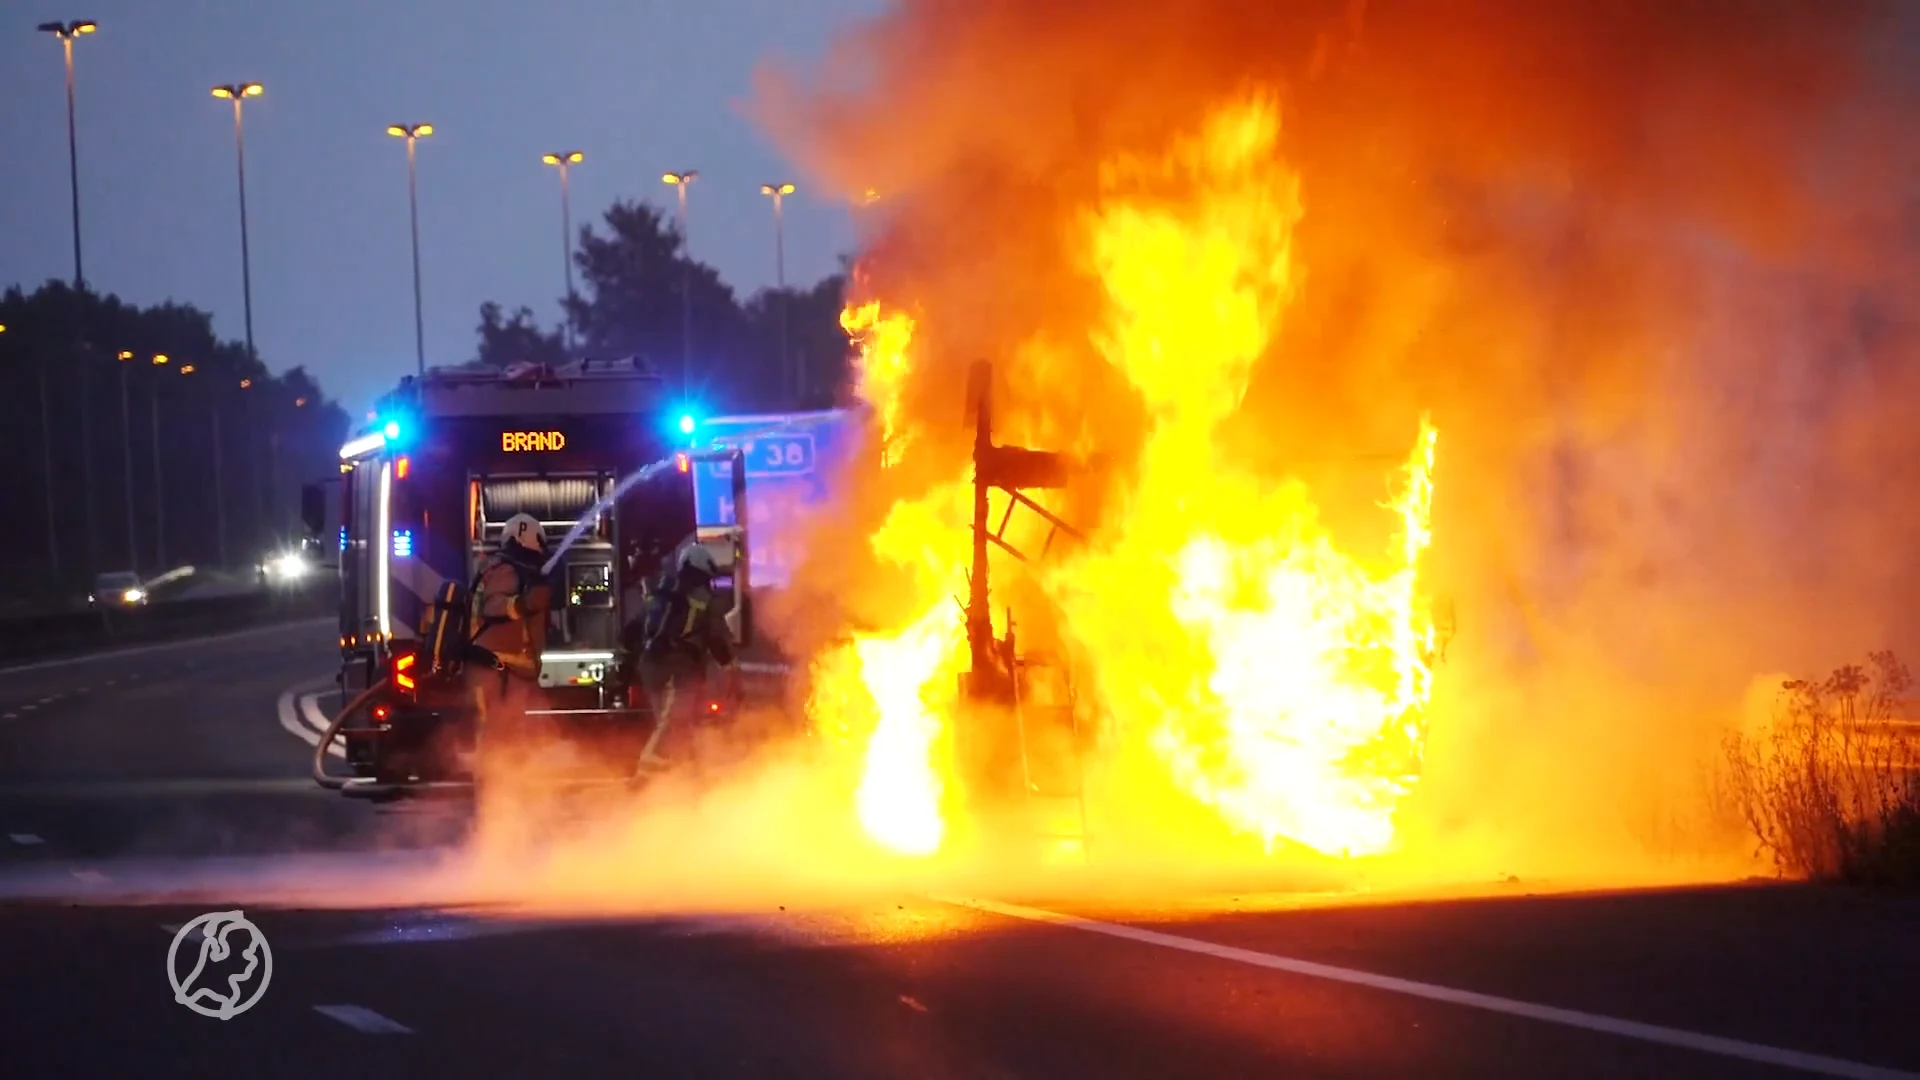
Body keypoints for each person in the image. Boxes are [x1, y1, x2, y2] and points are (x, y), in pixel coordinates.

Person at [628, 541, 739, 775]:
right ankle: (652, 761)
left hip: (650, 664)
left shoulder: (662, 591)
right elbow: (716, 636)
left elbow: (633, 628)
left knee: (670, 722)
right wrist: (729, 665)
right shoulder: (703, 597)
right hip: (680, 666)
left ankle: (676, 773)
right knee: (676, 719)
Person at [466, 512, 554, 768]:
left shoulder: (513, 569)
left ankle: (509, 788)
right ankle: (494, 793)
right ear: (526, 537)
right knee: (495, 735)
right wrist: (523, 603)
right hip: (494, 669)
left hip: (505, 670)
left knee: (511, 733)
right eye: (538, 542)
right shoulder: (505, 569)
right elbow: (493, 605)